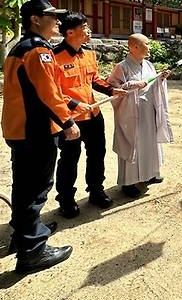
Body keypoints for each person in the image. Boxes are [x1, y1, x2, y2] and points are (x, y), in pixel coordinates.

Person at [1, 0, 80, 274]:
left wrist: (71, 104)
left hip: (19, 128)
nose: (57, 21)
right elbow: (46, 94)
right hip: (36, 130)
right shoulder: (39, 51)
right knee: (35, 189)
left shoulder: (20, 49)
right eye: (52, 16)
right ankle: (33, 250)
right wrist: (68, 122)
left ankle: (23, 234)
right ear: (36, 19)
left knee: (23, 186)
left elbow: (40, 89)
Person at [53, 13, 128, 218]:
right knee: (69, 159)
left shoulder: (89, 54)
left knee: (97, 154)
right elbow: (53, 91)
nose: (89, 31)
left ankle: (96, 190)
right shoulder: (54, 57)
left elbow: (95, 80)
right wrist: (76, 104)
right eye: (84, 27)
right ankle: (66, 199)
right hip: (70, 119)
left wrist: (112, 90)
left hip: (94, 113)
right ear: (70, 32)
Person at [108, 33, 173, 198]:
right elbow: (112, 89)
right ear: (134, 47)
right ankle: (128, 183)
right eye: (147, 44)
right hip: (131, 113)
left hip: (148, 112)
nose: (150, 47)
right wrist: (130, 85)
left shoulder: (149, 65)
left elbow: (152, 83)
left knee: (149, 142)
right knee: (133, 144)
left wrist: (161, 78)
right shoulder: (122, 67)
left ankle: (150, 173)